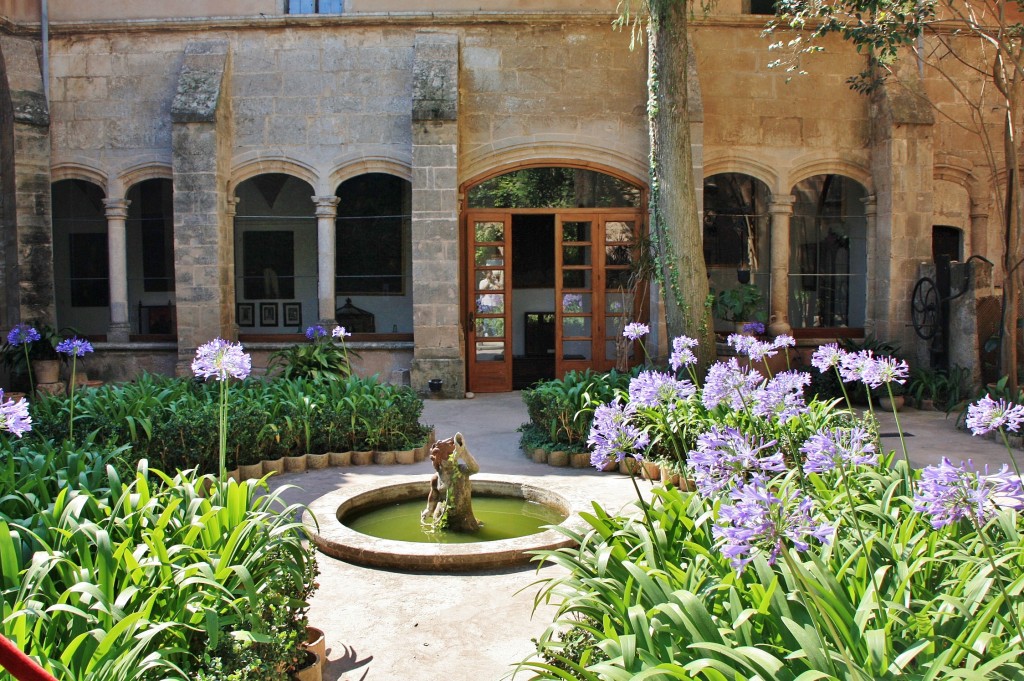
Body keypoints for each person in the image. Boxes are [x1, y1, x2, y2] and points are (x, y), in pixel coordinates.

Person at [421, 432, 481, 532]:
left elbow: (475, 468)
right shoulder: (437, 477)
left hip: (463, 516)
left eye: (450, 455)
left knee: (469, 532)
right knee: (440, 534)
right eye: (445, 457)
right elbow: (434, 494)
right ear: (439, 460)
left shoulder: (461, 470)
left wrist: (463, 452)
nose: (449, 459)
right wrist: (429, 509)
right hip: (442, 515)